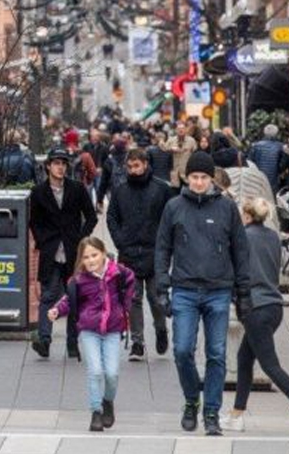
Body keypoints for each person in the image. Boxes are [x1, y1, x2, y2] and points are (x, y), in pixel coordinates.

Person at [153, 150, 251, 436]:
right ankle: (191, 399)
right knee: (182, 350)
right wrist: (162, 286)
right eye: (194, 177)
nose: (198, 182)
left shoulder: (227, 208)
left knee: (216, 354)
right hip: (184, 288)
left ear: (212, 179)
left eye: (203, 177)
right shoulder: (174, 207)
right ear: (187, 177)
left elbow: (240, 250)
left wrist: (243, 292)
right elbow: (162, 248)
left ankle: (211, 411)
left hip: (218, 289)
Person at [222, 198, 289, 434]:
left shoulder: (243, 237)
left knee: (269, 365)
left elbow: (236, 270)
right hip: (274, 306)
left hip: (255, 308)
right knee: (244, 359)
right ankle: (236, 415)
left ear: (247, 216)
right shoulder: (273, 237)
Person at [49, 237, 135, 432]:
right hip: (89, 330)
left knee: (112, 373)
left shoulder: (117, 272)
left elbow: (131, 281)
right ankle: (96, 411)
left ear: (103, 253)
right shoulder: (79, 280)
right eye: (86, 257)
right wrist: (57, 310)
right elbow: (69, 300)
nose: (91, 260)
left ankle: (108, 401)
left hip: (113, 329)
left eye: (94, 255)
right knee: (95, 371)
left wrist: (125, 307)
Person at [29, 148, 98, 359]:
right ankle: (44, 340)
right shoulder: (39, 192)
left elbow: (91, 217)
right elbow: (34, 222)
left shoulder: (76, 189)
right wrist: (43, 241)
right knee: (48, 296)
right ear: (48, 166)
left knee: (74, 297)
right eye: (56, 163)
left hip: (73, 252)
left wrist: (81, 239)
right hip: (51, 252)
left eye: (63, 164)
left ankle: (72, 342)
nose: (60, 167)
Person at [106, 148, 172, 360]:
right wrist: (120, 241)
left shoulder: (161, 189)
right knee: (133, 298)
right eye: (130, 166)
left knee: (156, 297)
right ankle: (137, 342)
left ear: (145, 164)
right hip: (129, 251)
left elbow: (169, 218)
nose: (133, 170)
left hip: (154, 251)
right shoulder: (121, 190)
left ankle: (160, 329)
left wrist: (165, 245)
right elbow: (112, 217)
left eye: (137, 166)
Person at [247, 124, 286, 191]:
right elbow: (282, 164)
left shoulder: (256, 146)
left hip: (258, 178)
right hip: (273, 179)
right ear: (276, 133)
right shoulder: (280, 146)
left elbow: (250, 162)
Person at [166, 122, 198, 186]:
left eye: (182, 128)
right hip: (174, 174)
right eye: (179, 129)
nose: (181, 130)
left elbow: (195, 154)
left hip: (186, 173)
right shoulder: (171, 140)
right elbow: (164, 150)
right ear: (176, 130)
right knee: (175, 190)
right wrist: (171, 149)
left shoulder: (191, 141)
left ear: (185, 130)